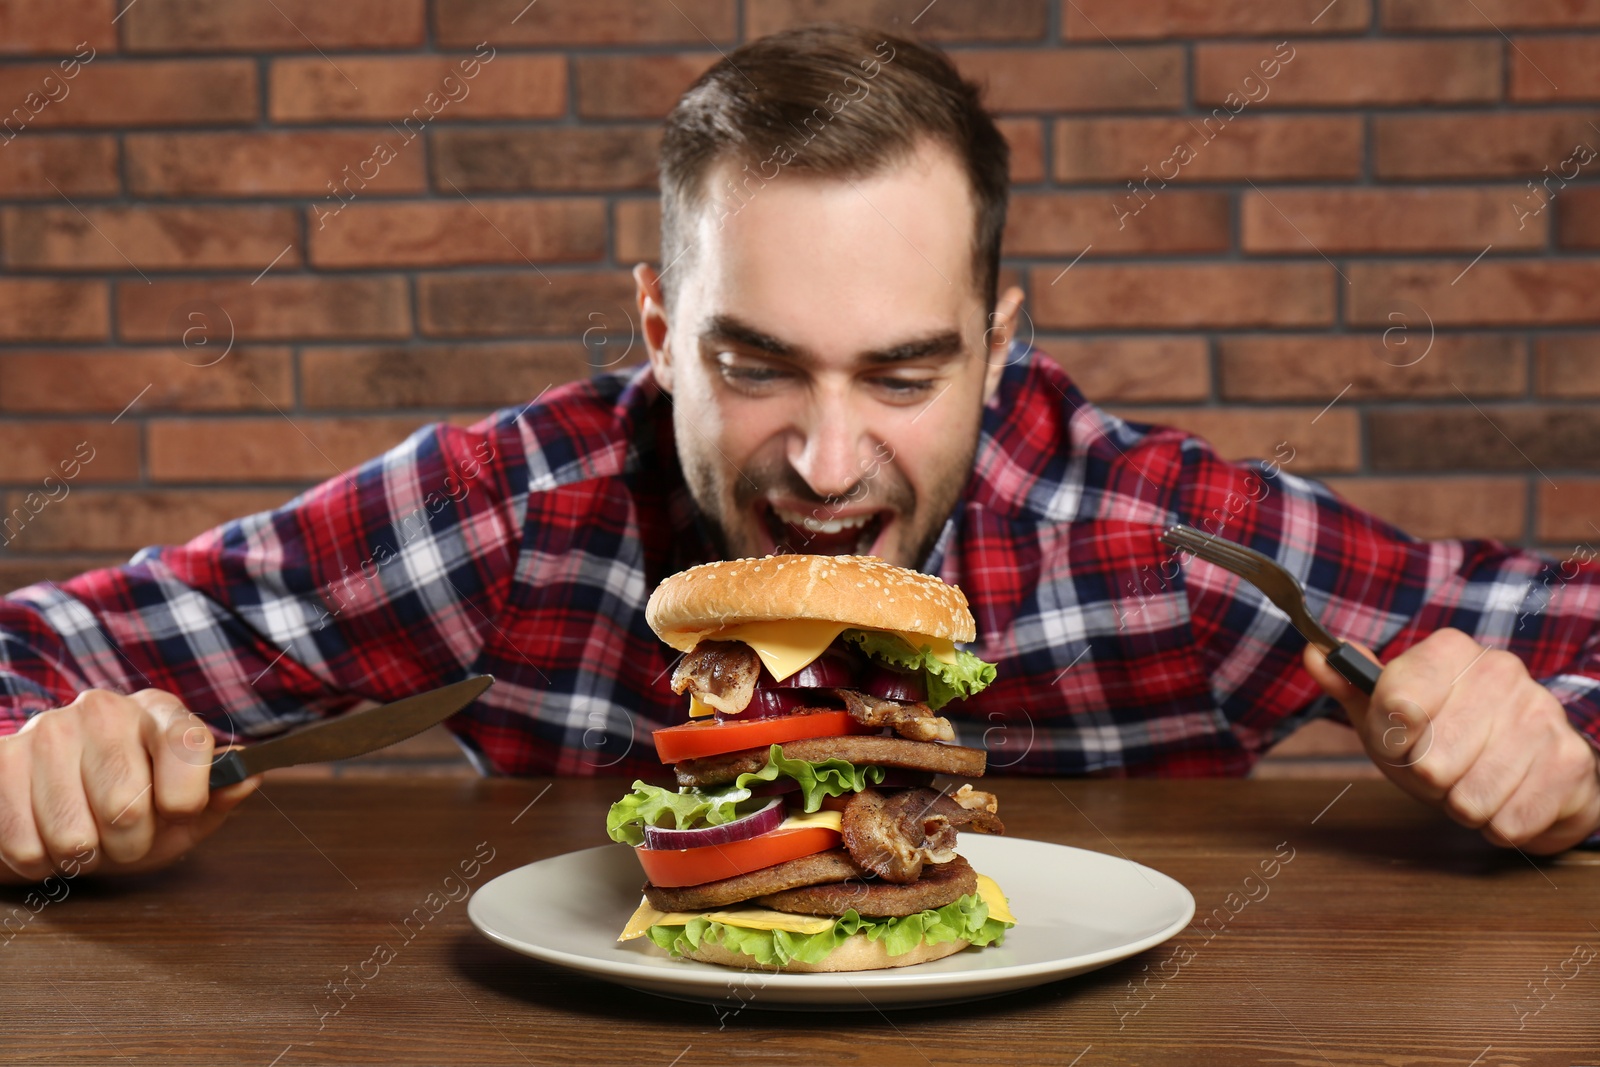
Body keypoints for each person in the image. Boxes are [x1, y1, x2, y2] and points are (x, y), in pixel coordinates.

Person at [1, 24, 1597, 886]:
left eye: (905, 374)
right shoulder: (519, 512)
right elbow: (38, 651)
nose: (829, 464)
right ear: (654, 328)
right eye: (755, 365)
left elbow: (1574, 638)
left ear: (999, 342)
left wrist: (1552, 748)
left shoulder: (1146, 535)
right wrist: (54, 761)